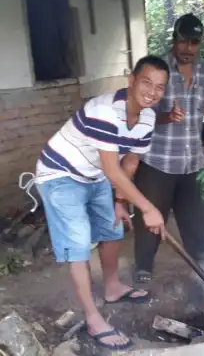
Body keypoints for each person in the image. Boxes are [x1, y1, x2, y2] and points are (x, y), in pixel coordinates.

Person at [35, 56, 170, 350]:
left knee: (112, 228)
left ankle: (112, 288)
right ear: (131, 80)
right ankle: (94, 319)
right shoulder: (105, 111)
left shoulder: (147, 117)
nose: (152, 91)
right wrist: (147, 208)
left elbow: (131, 160)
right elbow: (112, 169)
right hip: (59, 172)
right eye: (146, 82)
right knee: (79, 242)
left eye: (160, 87)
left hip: (93, 171)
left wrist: (121, 201)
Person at [132, 13, 204, 287]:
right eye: (184, 42)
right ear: (174, 39)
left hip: (194, 161)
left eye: (194, 43)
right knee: (149, 218)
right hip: (157, 160)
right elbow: (138, 112)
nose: (188, 49)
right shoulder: (158, 70)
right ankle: (143, 267)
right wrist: (165, 117)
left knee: (199, 219)